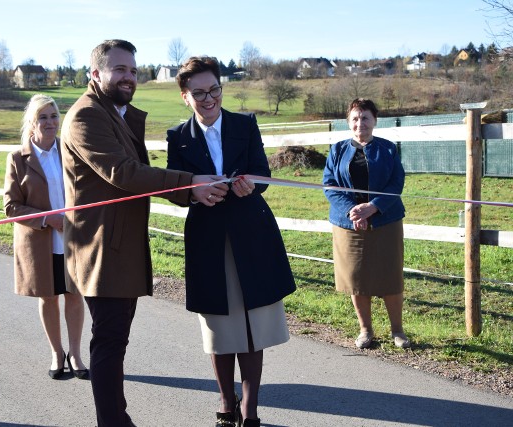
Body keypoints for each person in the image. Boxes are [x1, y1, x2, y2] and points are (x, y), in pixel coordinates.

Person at [60, 40, 227, 427]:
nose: (129, 77)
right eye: (119, 69)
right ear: (96, 73)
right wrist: (190, 183)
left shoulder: (113, 112)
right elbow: (124, 173)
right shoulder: (86, 116)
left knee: (115, 340)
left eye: (133, 70)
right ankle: (113, 422)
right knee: (109, 341)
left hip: (119, 246)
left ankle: (116, 419)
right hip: (102, 250)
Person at [166, 56, 296, 427]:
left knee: (253, 325)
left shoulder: (245, 124)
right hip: (208, 241)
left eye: (214, 90)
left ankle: (250, 409)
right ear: (185, 97)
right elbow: (176, 188)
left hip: (251, 236)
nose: (208, 99)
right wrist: (195, 194)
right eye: (199, 93)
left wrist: (251, 185)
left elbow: (264, 175)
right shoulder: (178, 137)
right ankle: (226, 400)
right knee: (220, 327)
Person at [3, 94, 89, 380]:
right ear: (32, 122)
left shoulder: (70, 151)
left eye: (54, 116)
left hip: (72, 240)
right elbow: (11, 207)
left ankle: (76, 353)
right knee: (49, 297)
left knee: (74, 296)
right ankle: (57, 352)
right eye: (43, 117)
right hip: (40, 243)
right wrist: (47, 218)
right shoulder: (18, 159)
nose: (50, 122)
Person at [322, 98, 411, 350]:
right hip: (348, 224)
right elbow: (329, 185)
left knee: (390, 276)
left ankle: (398, 331)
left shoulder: (388, 149)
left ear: (374, 120)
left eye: (365, 118)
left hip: (385, 220)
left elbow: (396, 184)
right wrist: (353, 210)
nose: (360, 123)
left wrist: (373, 207)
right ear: (348, 122)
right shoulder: (337, 150)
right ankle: (365, 330)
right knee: (356, 278)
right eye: (355, 118)